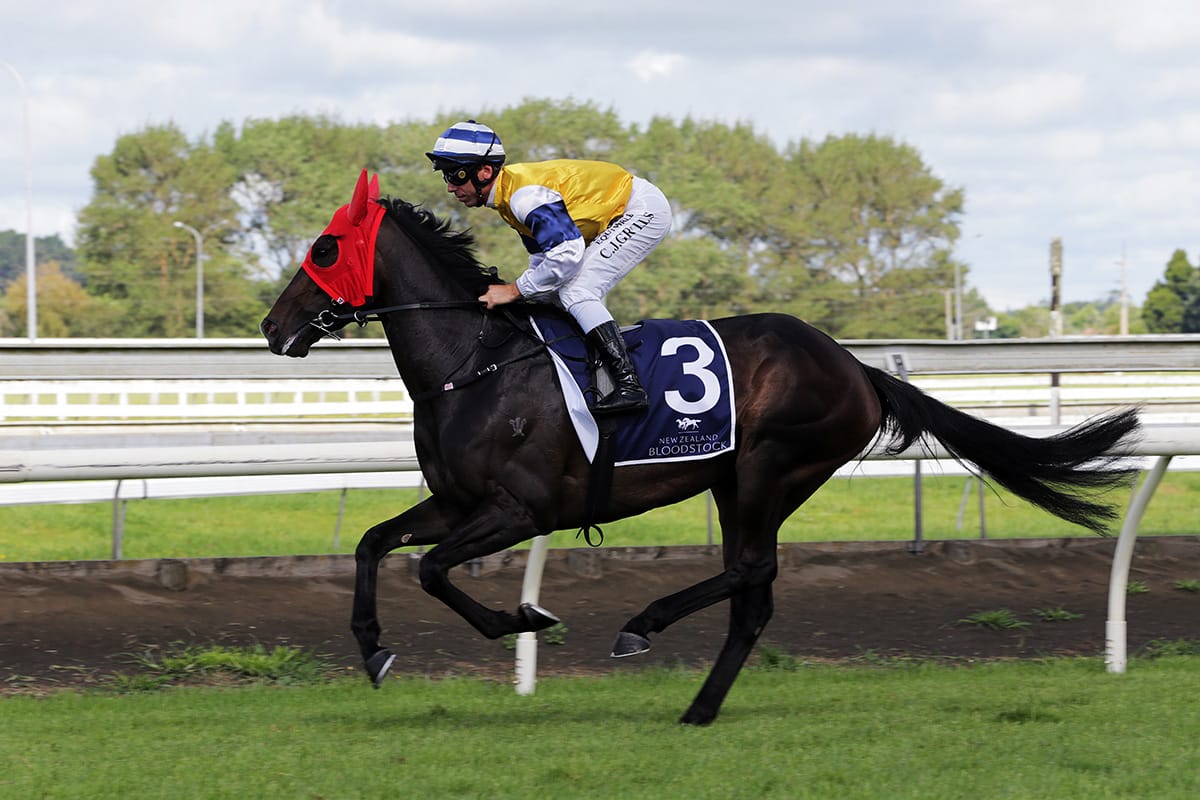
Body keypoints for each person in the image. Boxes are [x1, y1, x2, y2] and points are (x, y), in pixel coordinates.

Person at [426, 120, 673, 415]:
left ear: (484, 172)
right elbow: (543, 261)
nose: (451, 187)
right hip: (617, 212)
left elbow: (567, 255)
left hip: (641, 209)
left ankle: (629, 384)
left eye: (456, 174)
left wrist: (514, 290)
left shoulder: (523, 198)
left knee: (577, 290)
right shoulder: (506, 198)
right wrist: (525, 292)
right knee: (551, 295)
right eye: (446, 177)